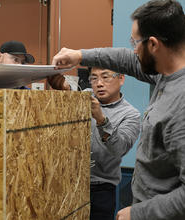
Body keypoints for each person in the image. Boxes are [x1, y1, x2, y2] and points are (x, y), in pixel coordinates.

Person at [51, 0, 185, 220]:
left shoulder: (181, 102)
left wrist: (139, 213)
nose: (133, 50)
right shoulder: (165, 73)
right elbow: (126, 59)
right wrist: (80, 55)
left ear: (153, 45)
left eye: (135, 43)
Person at [51, 66, 140, 219]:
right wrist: (64, 90)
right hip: (69, 183)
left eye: (105, 77)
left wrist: (101, 119)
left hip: (101, 190)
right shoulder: (84, 96)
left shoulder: (130, 114)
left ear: (121, 78)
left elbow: (119, 149)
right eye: (94, 78)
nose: (99, 83)